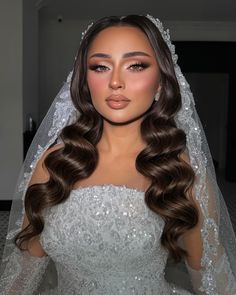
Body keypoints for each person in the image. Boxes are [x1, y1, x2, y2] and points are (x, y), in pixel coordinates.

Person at [0, 14, 236, 295]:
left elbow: (212, 284)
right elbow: (22, 275)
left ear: (161, 82)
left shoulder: (182, 175)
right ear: (85, 82)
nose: (115, 82)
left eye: (136, 65)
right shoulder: (55, 164)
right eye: (100, 66)